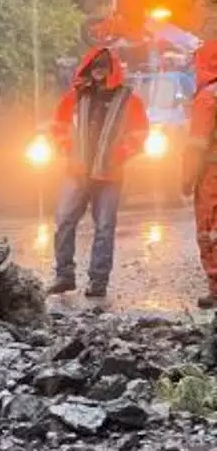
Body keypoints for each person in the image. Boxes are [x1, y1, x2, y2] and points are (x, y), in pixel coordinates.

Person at [46, 46, 150, 298]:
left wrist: (121, 153)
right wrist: (66, 147)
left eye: (103, 67)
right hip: (77, 170)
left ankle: (98, 282)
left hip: (109, 174)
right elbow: (58, 125)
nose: (98, 72)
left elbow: (140, 134)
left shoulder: (129, 100)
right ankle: (64, 275)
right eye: (95, 67)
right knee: (63, 221)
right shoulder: (74, 97)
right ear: (88, 68)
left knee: (104, 227)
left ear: (111, 69)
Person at [184, 40, 217, 308]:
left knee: (210, 229)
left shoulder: (208, 97)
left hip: (212, 175)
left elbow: (197, 145)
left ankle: (216, 287)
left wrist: (187, 178)